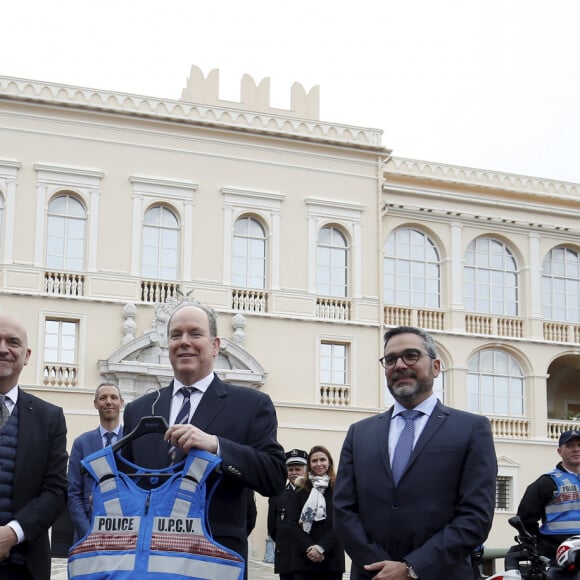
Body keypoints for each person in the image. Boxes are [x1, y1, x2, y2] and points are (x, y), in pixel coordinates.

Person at [121, 301, 286, 575]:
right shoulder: (139, 410)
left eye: (195, 334)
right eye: (176, 335)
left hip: (216, 562)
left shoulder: (251, 405)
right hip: (149, 562)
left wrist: (217, 446)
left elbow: (275, 476)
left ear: (215, 345)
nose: (184, 342)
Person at [334, 325, 497, 580]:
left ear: (435, 367)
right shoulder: (359, 433)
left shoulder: (471, 429)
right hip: (372, 575)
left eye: (411, 355)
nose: (399, 365)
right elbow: (344, 510)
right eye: (390, 359)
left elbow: (475, 516)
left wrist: (412, 568)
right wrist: (381, 567)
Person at [0, 313, 68, 580]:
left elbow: (56, 490)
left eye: (12, 342)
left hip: (24, 567)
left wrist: (12, 533)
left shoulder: (50, 418)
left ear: (26, 355)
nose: (3, 348)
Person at [68, 382, 124, 540]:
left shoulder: (132, 441)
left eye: (114, 397)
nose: (108, 402)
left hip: (126, 532)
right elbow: (74, 493)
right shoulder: (81, 443)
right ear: (95, 404)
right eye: (103, 398)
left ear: (121, 402)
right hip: (88, 530)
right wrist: (88, 532)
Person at [516, 429, 580, 562]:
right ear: (559, 451)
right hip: (555, 554)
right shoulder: (547, 482)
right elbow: (525, 519)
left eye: (579, 446)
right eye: (569, 446)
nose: (576, 450)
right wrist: (540, 546)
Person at [289, 445, 345, 580]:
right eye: (314, 461)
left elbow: (343, 521)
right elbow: (292, 522)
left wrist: (321, 547)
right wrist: (309, 548)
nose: (319, 464)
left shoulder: (340, 489)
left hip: (331, 559)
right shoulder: (301, 490)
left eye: (322, 460)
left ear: (329, 462)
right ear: (309, 464)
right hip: (304, 558)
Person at [268, 448, 308, 579]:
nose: (294, 473)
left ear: (306, 470)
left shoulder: (314, 494)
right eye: (290, 470)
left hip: (307, 556)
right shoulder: (277, 495)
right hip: (286, 557)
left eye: (298, 469)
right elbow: (272, 527)